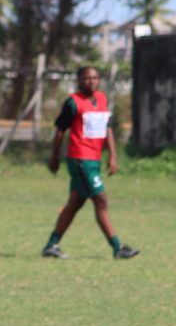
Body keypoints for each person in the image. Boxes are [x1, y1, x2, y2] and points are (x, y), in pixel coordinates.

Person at [42, 65, 139, 260]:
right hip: (80, 159)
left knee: (74, 204)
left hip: (93, 159)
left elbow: (108, 128)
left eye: (94, 78)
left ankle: (51, 245)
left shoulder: (102, 99)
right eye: (86, 78)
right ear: (79, 81)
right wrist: (54, 157)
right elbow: (60, 130)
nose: (91, 81)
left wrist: (112, 155)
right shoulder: (73, 103)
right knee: (101, 199)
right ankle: (117, 247)